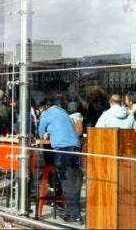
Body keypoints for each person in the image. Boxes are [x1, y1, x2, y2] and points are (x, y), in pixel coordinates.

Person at [38, 96, 83, 224]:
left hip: (63, 149)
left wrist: (46, 133)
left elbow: (40, 134)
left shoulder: (46, 114)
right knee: (74, 179)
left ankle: (75, 215)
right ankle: (70, 212)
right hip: (75, 147)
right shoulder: (63, 112)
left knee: (67, 182)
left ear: (45, 107)